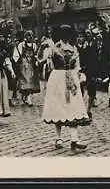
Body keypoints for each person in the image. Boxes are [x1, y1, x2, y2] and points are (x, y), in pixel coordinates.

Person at [41, 24, 91, 152]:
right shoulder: (54, 48)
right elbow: (42, 58)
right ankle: (58, 137)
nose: (67, 37)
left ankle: (74, 140)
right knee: (59, 107)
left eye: (69, 35)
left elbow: (77, 65)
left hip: (71, 80)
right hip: (57, 79)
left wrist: (78, 76)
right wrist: (42, 48)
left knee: (73, 108)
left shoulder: (74, 49)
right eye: (65, 35)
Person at [12, 30, 40, 106]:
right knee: (25, 81)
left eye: (30, 36)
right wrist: (17, 62)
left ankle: (27, 97)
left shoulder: (34, 45)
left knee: (31, 81)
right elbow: (17, 54)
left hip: (31, 65)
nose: (29, 37)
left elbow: (36, 54)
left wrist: (37, 61)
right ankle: (26, 97)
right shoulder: (21, 45)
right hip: (23, 65)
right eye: (27, 36)